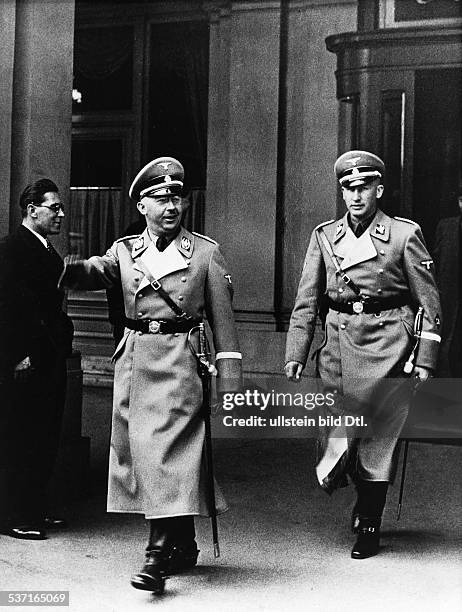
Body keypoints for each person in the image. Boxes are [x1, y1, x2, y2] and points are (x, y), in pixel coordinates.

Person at [59, 157, 242, 592]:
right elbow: (93, 272)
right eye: (160, 198)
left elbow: (223, 320)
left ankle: (157, 554)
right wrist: (53, 263)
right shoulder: (125, 251)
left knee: (166, 453)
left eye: (176, 197)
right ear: (142, 205)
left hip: (181, 362)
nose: (170, 206)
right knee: (143, 453)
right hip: (136, 359)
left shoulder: (205, 252)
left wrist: (229, 380)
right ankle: (183, 540)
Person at [285, 151, 441, 559]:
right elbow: (307, 298)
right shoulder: (325, 236)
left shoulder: (404, 235)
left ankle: (370, 518)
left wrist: (424, 357)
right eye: (348, 188)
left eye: (363, 188)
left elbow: (429, 301)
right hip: (337, 342)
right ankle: (361, 494)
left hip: (389, 341)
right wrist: (297, 351)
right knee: (339, 433)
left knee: (377, 434)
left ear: (379, 189)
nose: (355, 196)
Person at [0, 179, 74, 540]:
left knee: (44, 436)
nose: (61, 213)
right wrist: (16, 356)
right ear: (32, 211)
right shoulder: (11, 249)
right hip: (26, 363)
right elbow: (6, 310)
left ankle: (33, 508)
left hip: (48, 358)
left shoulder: (47, 251)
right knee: (20, 438)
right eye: (54, 207)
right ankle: (14, 515)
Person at [433, 181, 462, 377]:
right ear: (460, 202)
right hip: (451, 307)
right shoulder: (446, 228)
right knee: (448, 357)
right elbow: (434, 267)